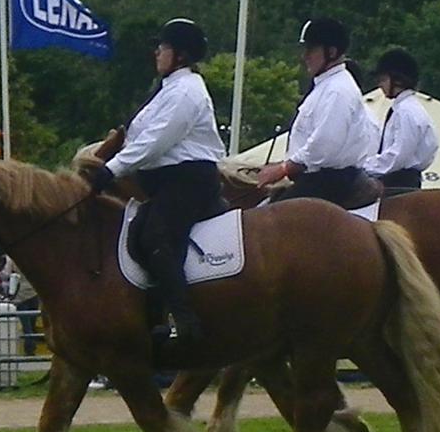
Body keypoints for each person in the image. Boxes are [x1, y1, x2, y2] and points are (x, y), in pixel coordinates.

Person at [90, 18, 226, 345]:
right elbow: (136, 133)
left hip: (187, 180)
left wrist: (111, 170)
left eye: (162, 48)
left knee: (157, 237)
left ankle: (183, 320)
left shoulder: (188, 92)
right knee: (135, 230)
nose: (157, 53)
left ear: (179, 55)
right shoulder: (166, 90)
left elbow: (154, 141)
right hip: (165, 181)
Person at [257, 17, 378, 205]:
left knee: (267, 222)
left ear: (331, 52)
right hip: (317, 179)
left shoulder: (337, 90)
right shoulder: (325, 86)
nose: (304, 56)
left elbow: (324, 145)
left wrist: (283, 169)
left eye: (311, 49)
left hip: (328, 183)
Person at [363, 48, 439, 191]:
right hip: (400, 178)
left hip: (398, 182)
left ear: (398, 80)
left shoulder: (406, 112)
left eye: (383, 79)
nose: (380, 85)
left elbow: (398, 156)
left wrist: (364, 166)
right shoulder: (405, 109)